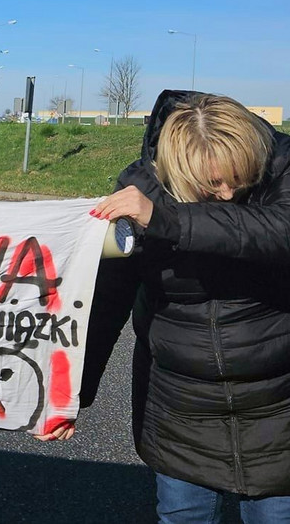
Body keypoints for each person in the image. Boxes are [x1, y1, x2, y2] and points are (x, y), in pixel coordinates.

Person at [67, 90, 290, 523]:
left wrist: (168, 220)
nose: (226, 194)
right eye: (211, 184)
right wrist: (73, 392)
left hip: (278, 406)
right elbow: (108, 298)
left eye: (238, 179)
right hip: (179, 408)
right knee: (183, 516)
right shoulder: (142, 185)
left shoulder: (283, 163)